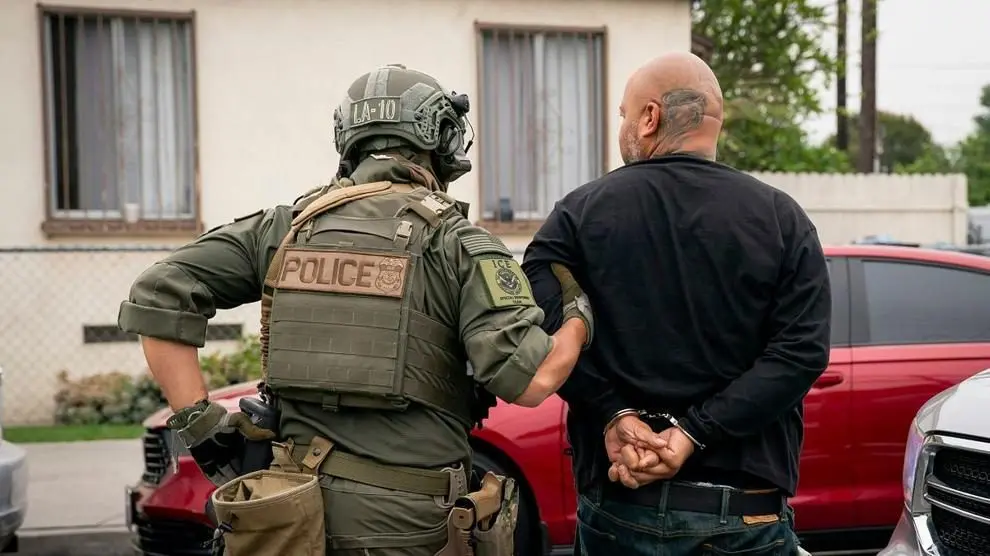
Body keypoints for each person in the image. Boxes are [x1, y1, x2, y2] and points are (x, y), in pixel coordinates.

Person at [117, 64, 594, 556]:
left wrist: (202, 423)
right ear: (440, 137)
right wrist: (577, 319)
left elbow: (159, 289)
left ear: (349, 138)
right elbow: (532, 379)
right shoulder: (458, 243)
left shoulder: (286, 227)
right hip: (409, 526)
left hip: (284, 521)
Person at [521, 52, 831, 555]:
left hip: (620, 512)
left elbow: (540, 329)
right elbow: (801, 354)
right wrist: (691, 434)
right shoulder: (782, 219)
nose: (622, 126)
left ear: (650, 117)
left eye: (624, 114)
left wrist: (613, 414)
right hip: (744, 515)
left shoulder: (577, 215)